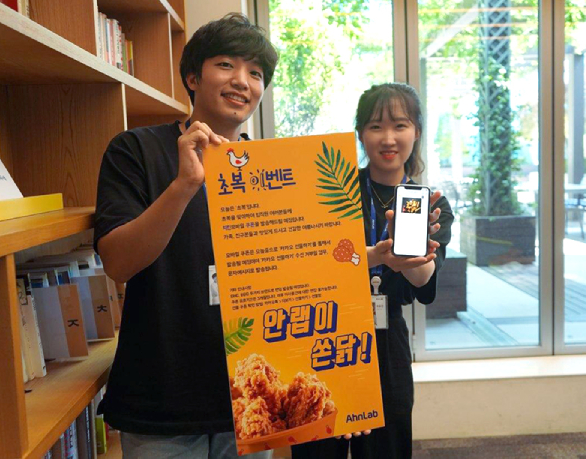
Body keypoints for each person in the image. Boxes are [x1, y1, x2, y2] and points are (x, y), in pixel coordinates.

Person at [93, 13, 278, 459]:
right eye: (226, 65)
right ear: (193, 77)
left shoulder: (271, 167)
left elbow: (301, 266)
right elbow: (118, 264)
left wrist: (373, 256)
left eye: (256, 73)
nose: (243, 81)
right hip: (163, 398)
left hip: (250, 396)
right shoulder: (135, 149)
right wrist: (184, 185)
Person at [292, 83, 454, 459]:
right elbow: (308, 262)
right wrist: (369, 257)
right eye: (376, 126)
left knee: (387, 446)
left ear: (417, 131)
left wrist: (412, 258)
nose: (388, 138)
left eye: (400, 125)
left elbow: (424, 283)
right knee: (318, 448)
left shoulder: (432, 204)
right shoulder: (333, 193)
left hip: (387, 339)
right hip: (325, 332)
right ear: (361, 133)